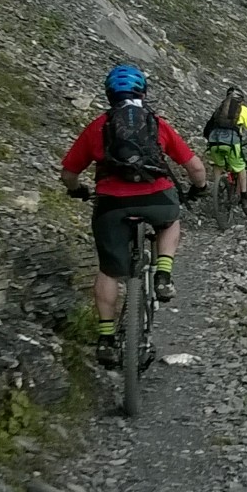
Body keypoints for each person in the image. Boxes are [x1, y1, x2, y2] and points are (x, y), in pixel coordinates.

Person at [60, 63, 208, 367]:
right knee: (171, 221)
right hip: (157, 198)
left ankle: (105, 338)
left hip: (112, 204)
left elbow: (68, 173)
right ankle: (164, 274)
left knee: (109, 270)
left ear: (109, 94)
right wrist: (200, 188)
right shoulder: (156, 124)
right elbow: (195, 168)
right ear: (143, 91)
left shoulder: (98, 126)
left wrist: (76, 190)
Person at [203, 85, 247, 214]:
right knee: (240, 167)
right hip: (231, 143)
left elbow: (207, 128)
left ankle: (218, 188)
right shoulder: (242, 110)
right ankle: (244, 196)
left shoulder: (219, 110)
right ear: (241, 100)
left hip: (213, 142)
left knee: (219, 165)